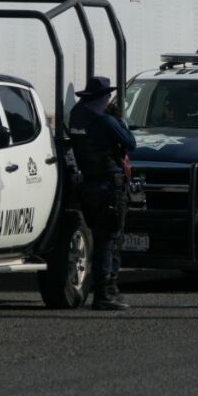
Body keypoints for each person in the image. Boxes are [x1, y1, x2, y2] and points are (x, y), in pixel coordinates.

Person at [68, 76, 137, 311]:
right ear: (103, 98)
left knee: (100, 238)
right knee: (109, 240)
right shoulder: (105, 121)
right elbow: (130, 142)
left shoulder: (77, 115)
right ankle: (104, 293)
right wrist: (118, 120)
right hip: (109, 185)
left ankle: (107, 290)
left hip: (88, 183)